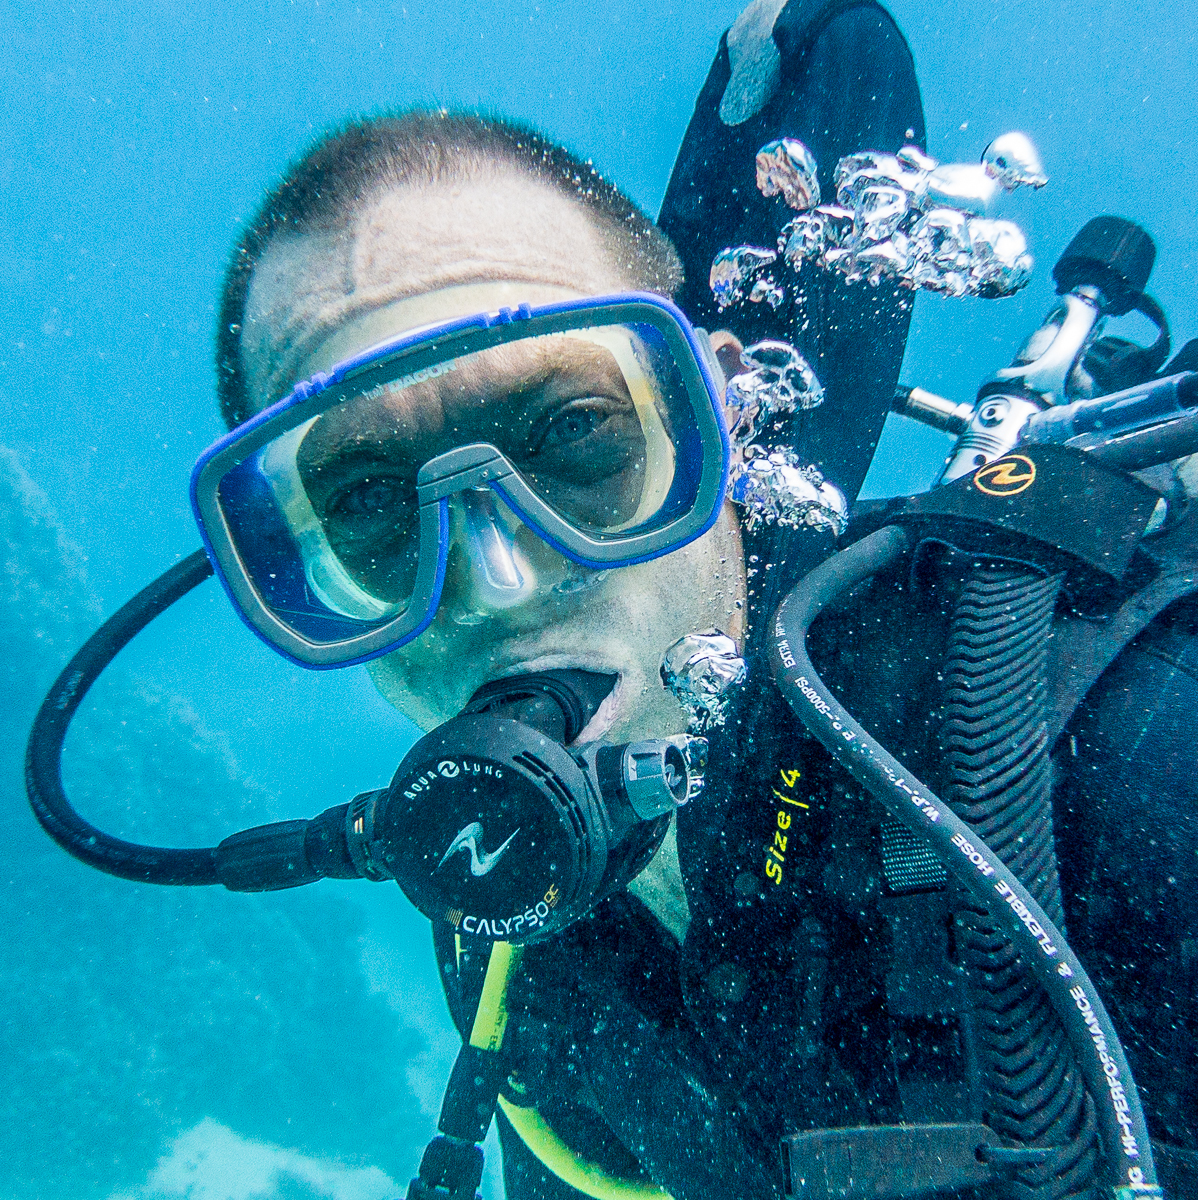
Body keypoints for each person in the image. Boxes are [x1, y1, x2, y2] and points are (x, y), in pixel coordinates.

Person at [28, 0, 1195, 1197]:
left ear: (720, 422)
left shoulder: (1118, 752)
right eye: (372, 504)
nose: (497, 580)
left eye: (575, 430)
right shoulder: (505, 906)